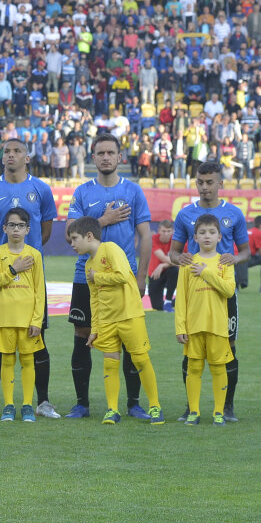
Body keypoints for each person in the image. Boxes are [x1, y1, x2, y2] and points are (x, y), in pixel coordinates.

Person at [64, 134, 152, 420]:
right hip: (86, 277)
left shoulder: (134, 191)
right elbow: (69, 233)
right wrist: (102, 221)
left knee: (128, 338)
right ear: (92, 157)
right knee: (82, 335)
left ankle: (134, 404)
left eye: (110, 152)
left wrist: (141, 277)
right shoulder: (81, 192)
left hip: (122, 280)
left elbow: (145, 235)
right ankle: (81, 403)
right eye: (100, 152)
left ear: (119, 157)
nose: (105, 157)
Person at [0, 137, 60, 419]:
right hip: (0, 277)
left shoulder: (41, 189)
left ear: (27, 157)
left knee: (37, 337)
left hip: (30, 278)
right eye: (7, 151)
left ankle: (42, 401)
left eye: (17, 151)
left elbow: (45, 232)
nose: (11, 155)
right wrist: (6, 260)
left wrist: (26, 258)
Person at [169, 162, 250, 421]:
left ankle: (227, 406)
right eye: (201, 183)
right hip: (196, 290)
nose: (205, 187)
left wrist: (233, 260)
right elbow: (174, 252)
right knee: (191, 348)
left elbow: (246, 251)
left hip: (224, 291)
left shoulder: (234, 214)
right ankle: (190, 407)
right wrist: (180, 260)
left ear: (220, 183)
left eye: (210, 182)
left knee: (229, 346)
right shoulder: (184, 214)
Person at [67, 216, 164, 425]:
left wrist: (98, 277)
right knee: (110, 363)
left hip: (129, 315)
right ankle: (112, 410)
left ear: (89, 236)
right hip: (108, 321)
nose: (72, 244)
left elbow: (123, 276)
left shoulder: (110, 249)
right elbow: (94, 299)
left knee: (140, 360)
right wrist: (95, 328)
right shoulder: (88, 265)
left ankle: (155, 407)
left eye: (74, 238)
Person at [0, 208, 46, 423]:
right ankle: (9, 405)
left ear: (27, 229)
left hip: (28, 320)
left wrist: (37, 320)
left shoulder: (35, 255)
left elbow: (40, 291)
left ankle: (27, 405)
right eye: (12, 225)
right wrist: (13, 269)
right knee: (7, 361)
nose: (16, 229)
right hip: (6, 319)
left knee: (28, 361)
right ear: (4, 228)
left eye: (20, 225)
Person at [175, 214, 236, 426]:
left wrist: (206, 272)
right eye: (202, 232)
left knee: (219, 368)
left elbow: (229, 291)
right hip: (194, 325)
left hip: (217, 326)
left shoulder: (225, 262)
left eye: (211, 232)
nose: (207, 236)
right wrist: (180, 326)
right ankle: (194, 411)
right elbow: (181, 298)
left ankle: (218, 412)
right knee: (194, 368)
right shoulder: (187, 263)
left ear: (219, 236)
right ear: (195, 237)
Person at [147, 220, 178, 312]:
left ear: (173, 231)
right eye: (164, 231)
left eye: (169, 231)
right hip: (155, 274)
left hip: (169, 273)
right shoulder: (153, 239)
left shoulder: (176, 240)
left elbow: (184, 260)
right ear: (159, 231)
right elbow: (163, 257)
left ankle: (168, 301)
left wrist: (163, 266)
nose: (166, 234)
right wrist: (165, 263)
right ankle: (176, 302)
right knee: (157, 307)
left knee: (174, 270)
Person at [237, 216, 261, 293]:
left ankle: (235, 287)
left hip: (236, 257)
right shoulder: (259, 233)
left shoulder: (250, 230)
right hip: (242, 258)